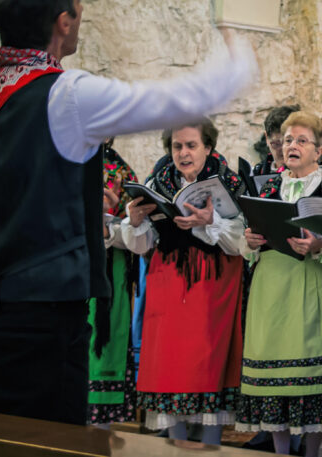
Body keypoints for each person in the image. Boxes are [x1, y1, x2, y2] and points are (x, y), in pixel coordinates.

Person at [0, 0, 256, 424]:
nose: (82, 11)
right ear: (64, 22)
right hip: (45, 325)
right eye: (80, 0)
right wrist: (239, 47)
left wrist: (56, 212)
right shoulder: (67, 95)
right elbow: (183, 100)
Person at [119, 121, 246, 444]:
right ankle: (175, 445)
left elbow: (241, 243)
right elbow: (143, 244)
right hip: (169, 281)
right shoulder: (158, 182)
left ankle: (211, 445)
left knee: (209, 362)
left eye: (191, 145)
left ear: (208, 147)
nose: (184, 153)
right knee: (169, 364)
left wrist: (211, 221)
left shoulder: (228, 183)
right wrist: (134, 223)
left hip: (213, 283)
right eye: (177, 147)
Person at [238, 112, 322, 456]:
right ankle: (280, 451)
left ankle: (315, 451)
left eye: (301, 140)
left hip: (314, 288)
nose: (292, 146)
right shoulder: (268, 188)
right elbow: (247, 242)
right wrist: (251, 239)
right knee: (275, 383)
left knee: (314, 378)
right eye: (288, 140)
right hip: (272, 289)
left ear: (319, 150)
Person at [88, 140, 139, 425]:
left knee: (104, 342)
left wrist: (110, 217)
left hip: (110, 267)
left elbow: (136, 228)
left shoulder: (121, 172)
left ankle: (100, 426)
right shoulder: (65, 161)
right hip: (71, 265)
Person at [253, 104, 301, 176]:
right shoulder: (257, 172)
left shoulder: (315, 174)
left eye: (289, 142)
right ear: (266, 138)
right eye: (277, 144)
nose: (283, 149)